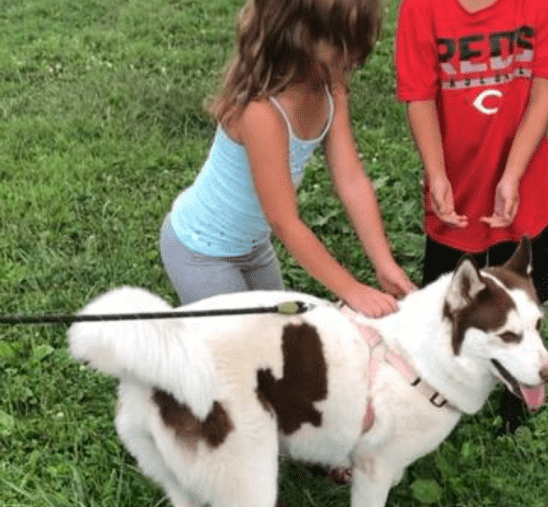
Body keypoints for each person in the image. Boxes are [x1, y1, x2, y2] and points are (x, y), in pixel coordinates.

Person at [160, 0, 415, 315]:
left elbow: (350, 180)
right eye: (340, 45)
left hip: (254, 248)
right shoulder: (262, 111)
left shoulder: (331, 87)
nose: (349, 58)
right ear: (298, 36)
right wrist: (351, 290)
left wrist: (384, 263)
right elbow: (284, 221)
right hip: (201, 250)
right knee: (239, 351)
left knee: (277, 336)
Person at [395, 0, 548, 430]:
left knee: (523, 299)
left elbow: (541, 95)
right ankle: (440, 400)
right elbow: (419, 98)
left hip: (523, 183)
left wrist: (511, 176)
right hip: (455, 188)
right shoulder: (422, 9)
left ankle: (519, 402)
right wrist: (436, 173)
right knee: (448, 308)